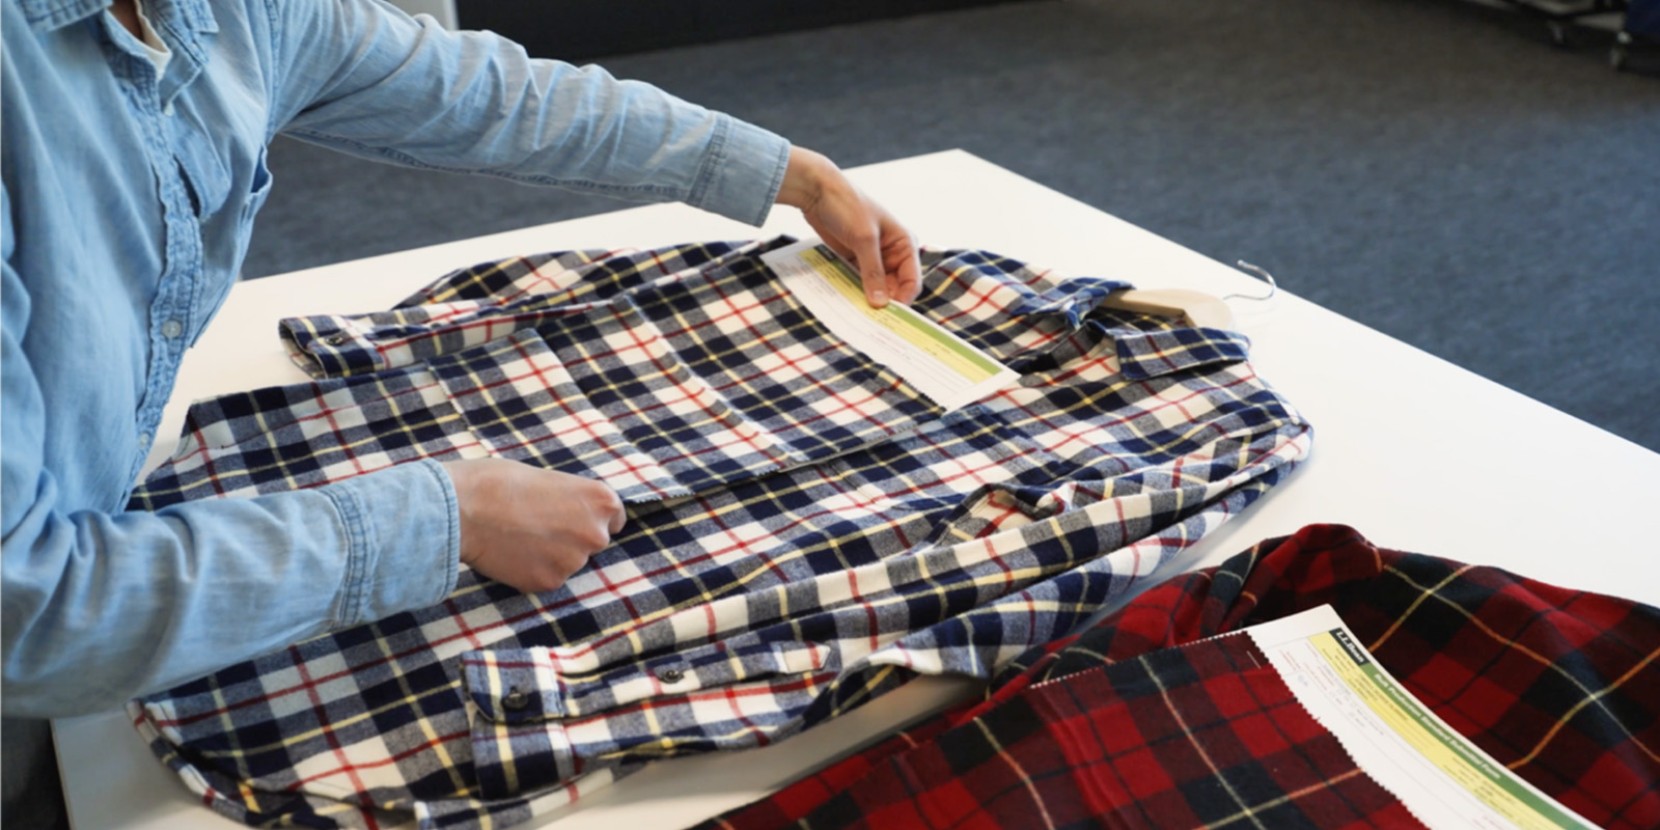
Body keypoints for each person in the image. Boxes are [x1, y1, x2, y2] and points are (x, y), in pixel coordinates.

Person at [1, 0, 922, 824]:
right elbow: (29, 612)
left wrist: (789, 174)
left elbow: (487, 95)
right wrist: (452, 514)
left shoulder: (233, 13)